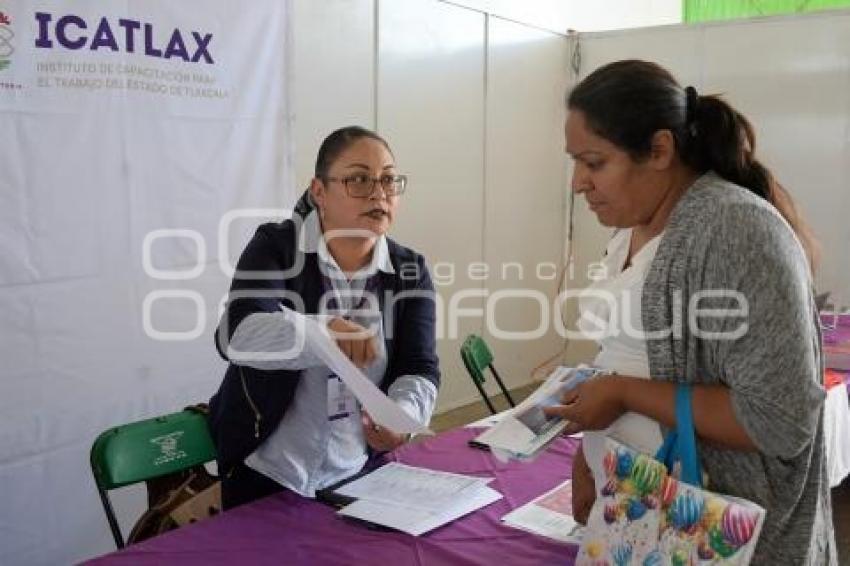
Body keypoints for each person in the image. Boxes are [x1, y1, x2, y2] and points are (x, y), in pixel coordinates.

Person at [543, 60, 833, 565]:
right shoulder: (638, 227)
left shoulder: (734, 231)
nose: (577, 184)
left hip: (726, 532)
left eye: (593, 162)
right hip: (641, 510)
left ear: (659, 150)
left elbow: (780, 421)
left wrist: (620, 393)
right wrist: (592, 453)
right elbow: (631, 353)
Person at [208, 126, 440, 510]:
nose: (378, 192)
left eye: (388, 180)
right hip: (267, 469)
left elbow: (419, 366)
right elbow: (236, 336)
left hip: (359, 470)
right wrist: (321, 333)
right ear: (319, 192)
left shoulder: (409, 270)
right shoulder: (278, 247)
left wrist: (402, 418)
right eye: (359, 179)